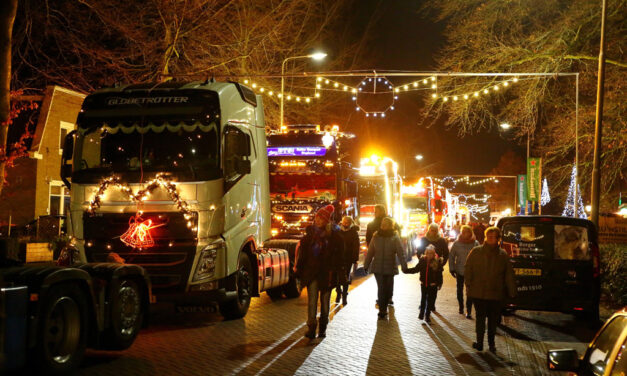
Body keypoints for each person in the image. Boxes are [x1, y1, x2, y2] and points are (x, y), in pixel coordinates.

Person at [294, 205, 345, 339]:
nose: (317, 220)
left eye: (321, 218)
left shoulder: (334, 236)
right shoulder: (310, 235)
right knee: (312, 301)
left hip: (327, 274)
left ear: (326, 220)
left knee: (325, 302)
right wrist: (299, 270)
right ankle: (311, 327)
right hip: (312, 273)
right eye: (317, 217)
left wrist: (338, 271)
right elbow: (303, 255)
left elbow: (340, 257)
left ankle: (323, 327)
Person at [465, 226, 516, 354]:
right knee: (480, 319)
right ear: (486, 238)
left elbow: (508, 275)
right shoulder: (476, 252)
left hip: (495, 294)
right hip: (479, 293)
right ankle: (480, 343)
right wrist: (469, 285)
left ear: (498, 239)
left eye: (494, 237)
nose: (492, 239)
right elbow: (468, 269)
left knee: (493, 321)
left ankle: (492, 344)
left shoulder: (503, 255)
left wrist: (512, 292)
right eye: (489, 237)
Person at [363, 217, 408, 319]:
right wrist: (366, 265)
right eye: (382, 223)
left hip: (390, 267)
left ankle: (387, 300)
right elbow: (370, 252)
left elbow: (401, 253)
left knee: (387, 288)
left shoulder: (395, 237)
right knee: (381, 288)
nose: (383, 225)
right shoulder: (376, 236)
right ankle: (382, 311)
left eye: (385, 224)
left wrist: (404, 267)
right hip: (377, 267)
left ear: (390, 225)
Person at [416, 223, 449, 311]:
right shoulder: (424, 239)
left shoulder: (441, 240)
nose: (433, 232)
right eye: (432, 230)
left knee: (434, 287)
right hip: (426, 266)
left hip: (436, 267)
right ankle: (423, 303)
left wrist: (442, 263)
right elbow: (419, 251)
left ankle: (431, 304)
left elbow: (446, 253)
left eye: (435, 230)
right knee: (425, 286)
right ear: (429, 230)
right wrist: (422, 260)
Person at [449, 225, 480, 318]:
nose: (466, 234)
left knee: (469, 291)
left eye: (468, 232)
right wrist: (452, 268)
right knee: (459, 289)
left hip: (471, 271)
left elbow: (479, 257)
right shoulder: (457, 244)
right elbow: (451, 256)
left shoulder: (475, 243)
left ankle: (468, 310)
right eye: (464, 232)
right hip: (460, 270)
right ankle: (461, 306)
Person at [408, 245, 443, 324]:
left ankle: (427, 315)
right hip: (424, 284)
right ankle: (421, 313)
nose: (429, 255)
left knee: (430, 301)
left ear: (434, 254)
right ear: (426, 253)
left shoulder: (437, 262)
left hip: (432, 285)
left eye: (431, 253)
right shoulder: (422, 261)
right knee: (423, 300)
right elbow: (416, 269)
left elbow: (439, 274)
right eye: (428, 253)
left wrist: (438, 283)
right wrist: (406, 270)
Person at [336, 216, 360, 305]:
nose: (345, 223)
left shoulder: (354, 233)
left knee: (345, 277)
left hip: (348, 258)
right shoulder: (338, 231)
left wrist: (355, 258)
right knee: (337, 277)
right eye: (344, 221)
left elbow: (356, 246)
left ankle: (344, 296)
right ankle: (338, 292)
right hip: (338, 258)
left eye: (347, 222)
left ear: (351, 223)